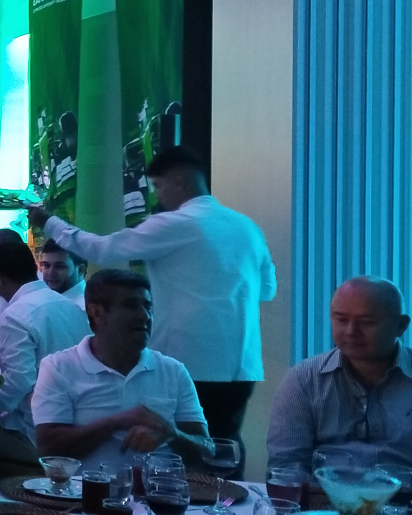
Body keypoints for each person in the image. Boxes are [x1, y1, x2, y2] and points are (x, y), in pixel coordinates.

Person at [29, 146, 276, 447]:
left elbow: (102, 250)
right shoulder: (248, 227)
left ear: (179, 182)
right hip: (242, 363)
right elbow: (267, 289)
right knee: (223, 447)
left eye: (158, 186)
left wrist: (49, 222)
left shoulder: (175, 223)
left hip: (188, 357)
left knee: (168, 448)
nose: (157, 196)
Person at [31, 268, 209, 467]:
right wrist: (117, 422)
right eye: (131, 306)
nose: (144, 316)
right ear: (97, 313)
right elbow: (49, 449)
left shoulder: (173, 371)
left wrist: (170, 434)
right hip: (88, 486)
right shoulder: (58, 368)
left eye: (147, 306)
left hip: (160, 486)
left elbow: (206, 451)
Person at [268, 276, 412, 472]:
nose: (351, 331)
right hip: (324, 491)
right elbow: (286, 465)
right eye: (341, 320)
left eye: (367, 322)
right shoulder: (304, 379)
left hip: (411, 491)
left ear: (401, 326)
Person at [0, 239, 91, 464]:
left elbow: (18, 383)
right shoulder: (70, 306)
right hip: (80, 424)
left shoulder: (15, 316)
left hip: (36, 434)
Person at [38, 239, 86, 307]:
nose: (50, 273)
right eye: (46, 265)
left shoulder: (85, 308)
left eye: (59, 266)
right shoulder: (43, 298)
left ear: (80, 270)